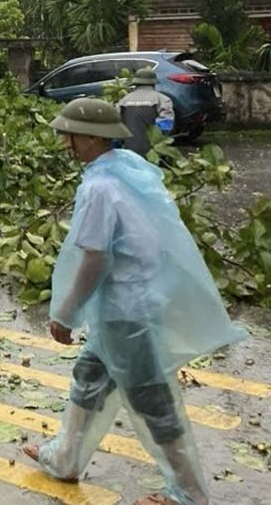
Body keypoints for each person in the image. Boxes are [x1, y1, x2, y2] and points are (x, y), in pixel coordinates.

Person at [22, 98, 245, 505]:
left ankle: (188, 494)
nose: (62, 141)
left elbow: (94, 258)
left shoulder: (99, 187)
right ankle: (66, 458)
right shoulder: (125, 169)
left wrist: (65, 314)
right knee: (89, 379)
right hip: (134, 302)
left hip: (125, 313)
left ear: (91, 136)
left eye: (68, 133)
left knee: (152, 400)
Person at [117, 66, 175, 156]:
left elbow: (116, 125)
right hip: (153, 152)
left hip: (129, 151)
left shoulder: (124, 101)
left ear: (135, 83)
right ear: (154, 83)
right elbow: (166, 126)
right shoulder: (162, 99)